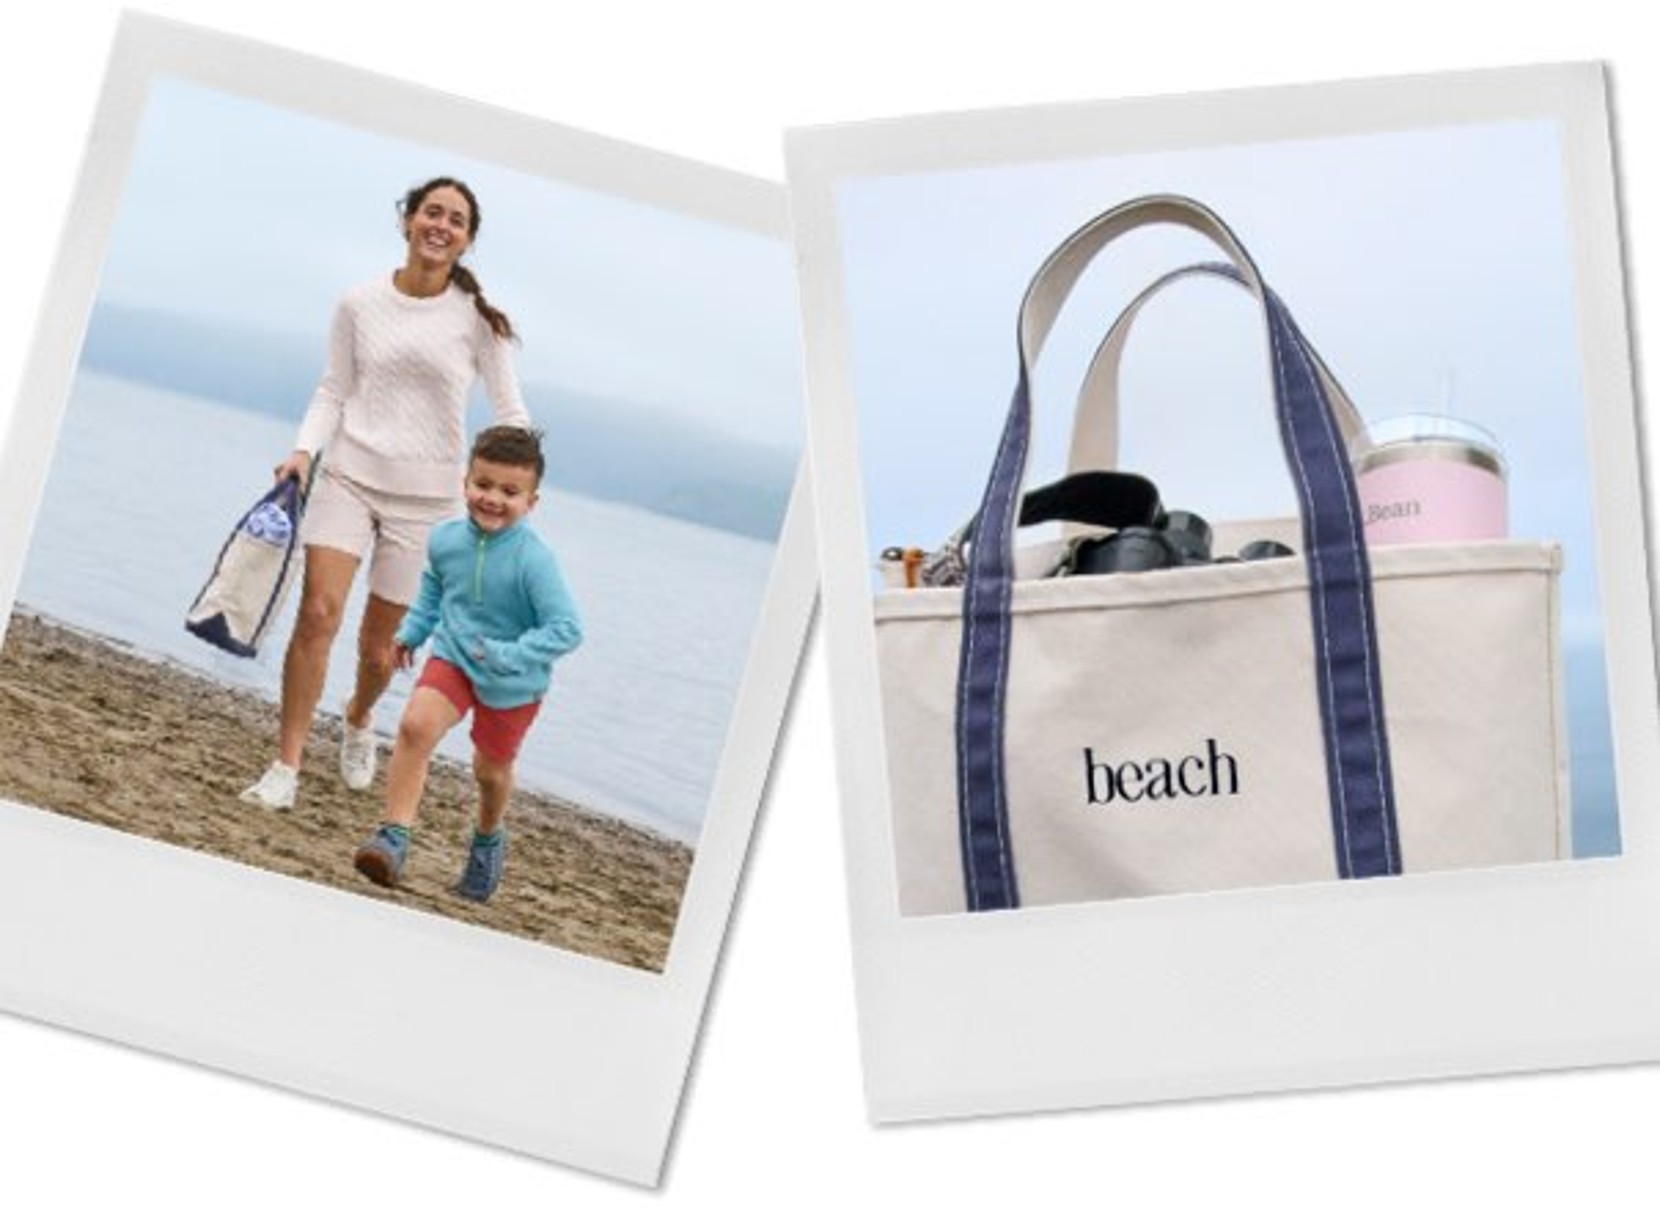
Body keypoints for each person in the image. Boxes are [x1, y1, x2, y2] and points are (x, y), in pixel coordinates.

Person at [240, 177, 531, 810]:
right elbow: (333, 390)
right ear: (408, 221)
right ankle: (284, 768)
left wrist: (508, 495)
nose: (441, 225)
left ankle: (358, 714)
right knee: (317, 614)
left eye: (456, 220)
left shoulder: (481, 320)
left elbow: (510, 414)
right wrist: (303, 450)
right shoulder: (359, 303)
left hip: (427, 502)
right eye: (432, 212)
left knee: (380, 653)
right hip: (347, 476)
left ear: (467, 239)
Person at [352, 426, 581, 902]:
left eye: (509, 492)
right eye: (483, 485)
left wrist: (509, 655)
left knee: (489, 772)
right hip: (454, 656)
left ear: (532, 502)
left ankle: (488, 838)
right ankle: (393, 838)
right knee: (415, 727)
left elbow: (567, 629)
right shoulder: (446, 539)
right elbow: (437, 590)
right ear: (465, 482)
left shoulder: (534, 561)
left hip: (514, 682)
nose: (492, 499)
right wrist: (413, 631)